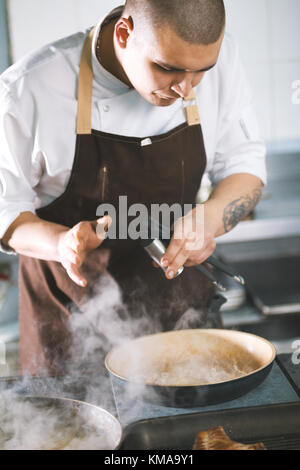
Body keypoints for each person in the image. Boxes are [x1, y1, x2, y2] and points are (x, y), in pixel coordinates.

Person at [0, 0, 266, 376]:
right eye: (167, 68)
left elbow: (246, 167)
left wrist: (208, 221)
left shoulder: (216, 60)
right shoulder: (31, 87)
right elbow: (5, 211)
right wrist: (59, 243)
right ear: (124, 34)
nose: (186, 90)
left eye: (200, 73)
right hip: (68, 324)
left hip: (178, 317)